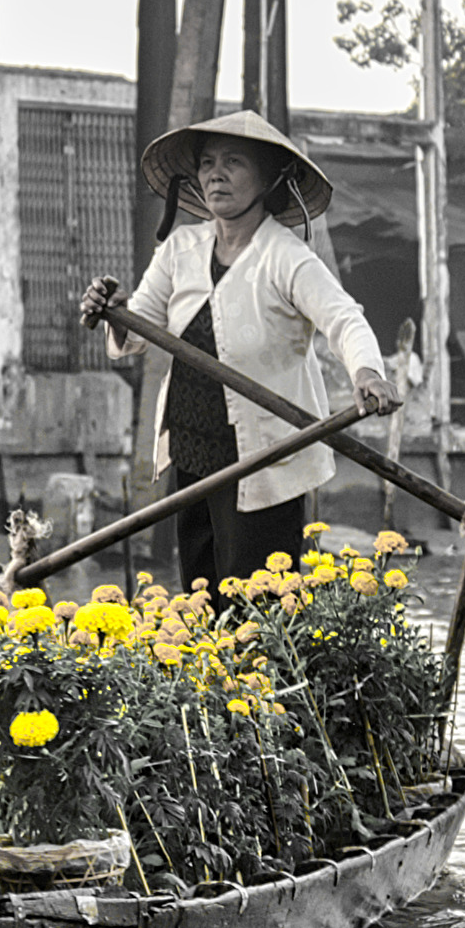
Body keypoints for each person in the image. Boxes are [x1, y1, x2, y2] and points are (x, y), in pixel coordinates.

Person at [79, 111, 401, 597]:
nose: (216, 174)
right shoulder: (180, 249)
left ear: (269, 177)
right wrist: (113, 312)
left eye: (233, 162)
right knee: (201, 598)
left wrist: (368, 372)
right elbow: (138, 328)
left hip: (264, 457)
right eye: (207, 163)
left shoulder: (285, 255)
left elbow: (344, 318)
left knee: (261, 605)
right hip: (190, 450)